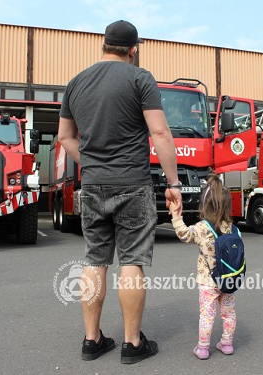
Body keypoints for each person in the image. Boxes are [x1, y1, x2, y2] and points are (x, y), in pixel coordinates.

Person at [57, 20, 183, 364]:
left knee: (95, 261)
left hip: (94, 184)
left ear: (104, 45)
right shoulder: (140, 78)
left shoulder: (75, 83)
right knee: (132, 262)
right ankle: (132, 344)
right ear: (133, 48)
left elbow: (65, 138)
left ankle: (92, 339)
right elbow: (160, 133)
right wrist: (173, 185)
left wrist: (94, 163)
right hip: (133, 184)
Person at [169, 174, 237, 360]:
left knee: (207, 315)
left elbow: (184, 234)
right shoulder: (232, 228)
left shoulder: (201, 228)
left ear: (204, 204)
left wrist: (176, 216)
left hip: (208, 281)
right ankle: (227, 343)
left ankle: (203, 348)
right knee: (228, 313)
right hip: (230, 278)